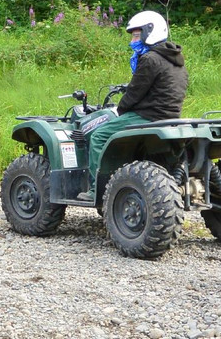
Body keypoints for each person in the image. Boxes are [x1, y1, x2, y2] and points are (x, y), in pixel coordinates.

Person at [78, 10, 188, 201]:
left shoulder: (150, 59)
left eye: (137, 35)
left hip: (148, 115)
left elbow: (134, 94)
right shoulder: (176, 60)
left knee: (98, 136)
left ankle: (95, 190)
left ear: (150, 32)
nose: (133, 41)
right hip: (170, 115)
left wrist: (119, 110)